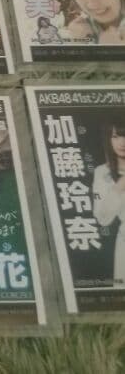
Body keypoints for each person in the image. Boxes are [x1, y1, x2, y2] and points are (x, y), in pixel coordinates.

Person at [93, 118, 125, 286]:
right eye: (116, 136)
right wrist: (119, 186)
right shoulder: (102, 172)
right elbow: (103, 218)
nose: (122, 142)